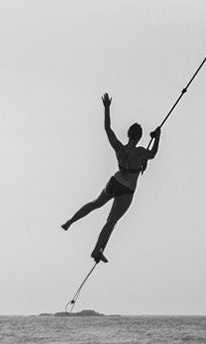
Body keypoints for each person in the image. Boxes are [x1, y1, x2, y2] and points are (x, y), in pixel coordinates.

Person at [61, 93, 161, 264]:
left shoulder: (119, 148)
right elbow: (152, 154)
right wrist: (158, 136)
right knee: (111, 222)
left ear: (129, 134)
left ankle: (70, 221)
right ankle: (96, 250)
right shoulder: (140, 152)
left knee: (95, 204)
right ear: (139, 136)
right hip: (127, 190)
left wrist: (107, 108)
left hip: (114, 182)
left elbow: (108, 128)